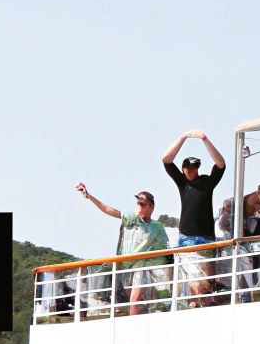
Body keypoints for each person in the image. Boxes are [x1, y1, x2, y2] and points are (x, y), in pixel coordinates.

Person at [76, 183, 168, 315]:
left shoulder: (157, 227)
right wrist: (89, 196)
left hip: (143, 268)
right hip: (126, 268)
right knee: (135, 301)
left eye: (142, 204)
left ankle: (133, 327)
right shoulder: (131, 218)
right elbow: (108, 209)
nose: (139, 206)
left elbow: (164, 249)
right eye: (138, 203)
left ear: (151, 208)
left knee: (135, 299)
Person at [162, 129, 228, 302]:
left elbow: (221, 164)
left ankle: (204, 304)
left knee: (206, 284)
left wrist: (205, 139)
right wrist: (183, 136)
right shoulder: (182, 183)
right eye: (190, 168)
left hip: (206, 237)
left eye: (195, 167)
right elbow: (166, 160)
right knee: (193, 282)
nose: (193, 171)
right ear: (184, 169)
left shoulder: (206, 182)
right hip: (187, 238)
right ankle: (194, 304)